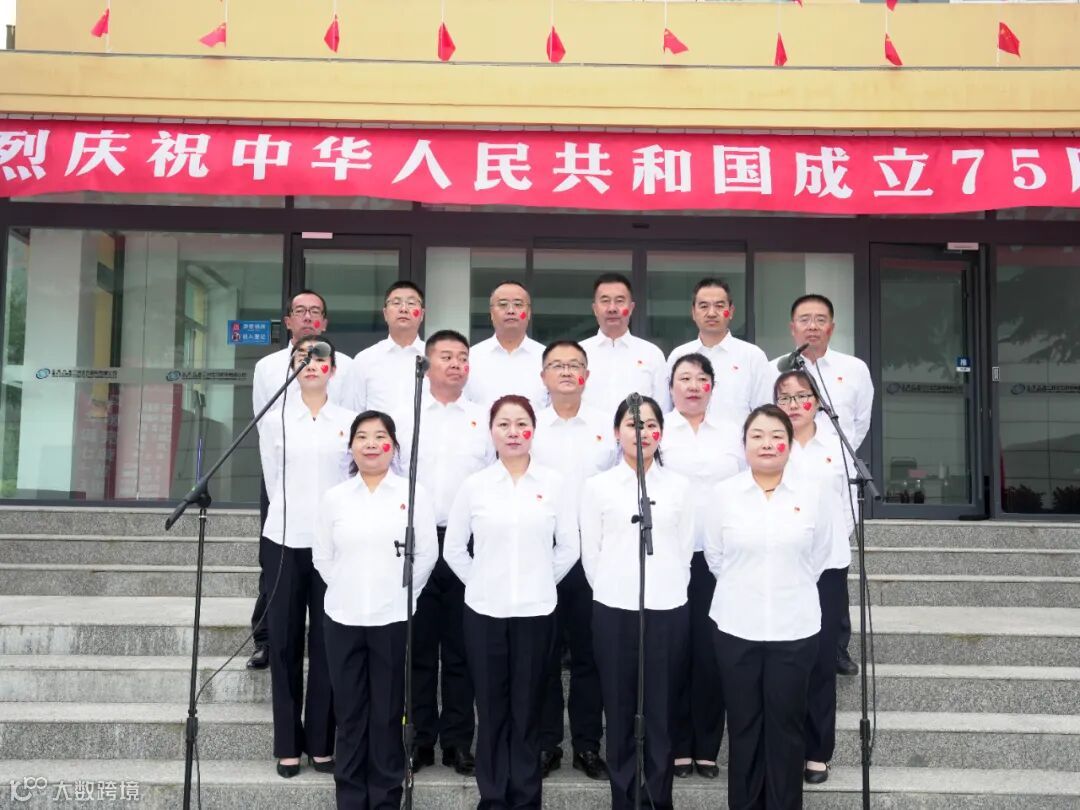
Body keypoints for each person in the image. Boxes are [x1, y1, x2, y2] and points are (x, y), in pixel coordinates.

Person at [445, 395, 579, 810]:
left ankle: (524, 797)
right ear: (491, 432)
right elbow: (454, 549)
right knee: (491, 708)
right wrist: (481, 582)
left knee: (527, 708)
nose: (513, 432)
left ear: (533, 431)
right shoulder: (475, 485)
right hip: (485, 612)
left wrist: (540, 581)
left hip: (536, 613)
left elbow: (569, 548)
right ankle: (493, 796)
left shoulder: (553, 484)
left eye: (521, 424)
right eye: (503, 424)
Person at [705, 405, 835, 810]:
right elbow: (715, 556)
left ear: (790, 444)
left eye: (776, 435)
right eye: (757, 436)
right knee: (743, 726)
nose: (767, 443)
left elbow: (819, 556)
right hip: (736, 626)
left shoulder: (813, 495)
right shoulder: (724, 495)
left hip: (794, 627)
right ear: (744, 444)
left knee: (787, 728)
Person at [314, 411, 439, 809]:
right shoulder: (335, 498)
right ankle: (351, 798)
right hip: (343, 617)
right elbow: (322, 557)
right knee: (350, 714)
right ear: (351, 446)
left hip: (391, 618)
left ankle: (385, 798)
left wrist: (402, 596)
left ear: (393, 446)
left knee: (387, 714)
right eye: (362, 436)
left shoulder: (412, 495)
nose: (371, 443)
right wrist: (349, 588)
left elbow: (426, 554)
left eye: (380, 436)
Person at [580, 396, 694, 810]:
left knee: (660, 712)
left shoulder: (679, 487)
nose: (641, 432)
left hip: (667, 610)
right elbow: (591, 554)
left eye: (649, 424)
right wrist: (616, 588)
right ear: (617, 433)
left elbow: (684, 549)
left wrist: (667, 587)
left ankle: (659, 798)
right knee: (620, 708)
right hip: (614, 609)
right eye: (632, 424)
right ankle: (624, 798)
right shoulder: (598, 487)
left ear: (661, 432)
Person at [258, 335, 357, 778]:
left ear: (332, 369)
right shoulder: (275, 418)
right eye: (303, 356)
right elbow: (271, 478)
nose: (312, 363)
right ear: (293, 366)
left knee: (326, 644)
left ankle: (321, 742)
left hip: (334, 545)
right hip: (284, 538)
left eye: (320, 357)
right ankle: (287, 745)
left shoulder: (350, 421)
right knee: (282, 644)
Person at [397, 329, 495, 776]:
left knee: (461, 649)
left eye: (462, 358)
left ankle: (458, 741)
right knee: (418, 648)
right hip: (415, 540)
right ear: (426, 364)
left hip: (465, 543)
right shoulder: (405, 415)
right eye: (446, 357)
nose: (456, 364)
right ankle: (419, 739)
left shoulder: (483, 418)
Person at [768, 293, 873, 677]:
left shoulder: (854, 369)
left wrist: (829, 452)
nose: (812, 326)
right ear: (792, 327)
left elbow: (859, 423)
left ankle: (836, 647)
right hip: (785, 474)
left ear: (832, 326)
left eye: (820, 319)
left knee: (833, 573)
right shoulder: (773, 368)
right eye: (804, 319)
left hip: (831, 474)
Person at [248, 289, 352, 671]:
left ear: (324, 321)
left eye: (315, 311)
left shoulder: (346, 366)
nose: (308, 317)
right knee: (275, 563)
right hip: (284, 476)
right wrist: (280, 492)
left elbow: (352, 420)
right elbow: (263, 427)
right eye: (300, 311)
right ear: (288, 321)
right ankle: (266, 638)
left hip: (331, 476)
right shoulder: (268, 367)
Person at [532, 340, 617, 781]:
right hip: (541, 549)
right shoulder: (529, 426)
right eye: (557, 365)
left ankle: (587, 745)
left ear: (587, 374)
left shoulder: (607, 426)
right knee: (543, 653)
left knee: (590, 655)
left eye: (575, 365)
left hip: (594, 551)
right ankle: (547, 743)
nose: (566, 371)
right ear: (543, 376)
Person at [661, 353, 744, 780]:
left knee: (712, 653)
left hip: (721, 557)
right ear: (670, 386)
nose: (693, 386)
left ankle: (707, 746)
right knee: (675, 652)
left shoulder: (733, 433)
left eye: (701, 379)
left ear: (713, 386)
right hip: (669, 555)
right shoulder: (658, 430)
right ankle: (677, 744)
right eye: (684, 378)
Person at [774, 371, 855, 786]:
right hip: (780, 566)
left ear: (818, 402)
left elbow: (849, 506)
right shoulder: (770, 442)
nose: (793, 404)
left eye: (802, 396)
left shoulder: (837, 446)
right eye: (784, 397)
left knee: (822, 660)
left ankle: (818, 752)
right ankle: (785, 747)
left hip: (827, 567)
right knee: (784, 660)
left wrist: (828, 544)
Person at [656, 278, 772, 422]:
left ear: (731, 311)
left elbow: (764, 414)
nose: (711, 313)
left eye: (719, 306)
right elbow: (666, 410)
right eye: (704, 306)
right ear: (693, 312)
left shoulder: (752, 356)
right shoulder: (679, 356)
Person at [341, 281, 427, 429]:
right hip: (377, 442)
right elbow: (351, 414)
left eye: (411, 303)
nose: (404, 309)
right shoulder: (364, 360)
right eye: (396, 303)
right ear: (385, 313)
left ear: (422, 315)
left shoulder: (436, 359)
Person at [580, 273, 666, 417]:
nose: (612, 308)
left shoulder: (652, 354)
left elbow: (662, 410)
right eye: (605, 301)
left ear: (631, 308)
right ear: (595, 309)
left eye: (619, 301)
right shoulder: (579, 353)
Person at [465, 281, 548, 414]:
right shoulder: (471, 357)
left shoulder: (547, 358)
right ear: (491, 313)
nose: (511, 311)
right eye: (503, 304)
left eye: (518, 304)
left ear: (528, 313)